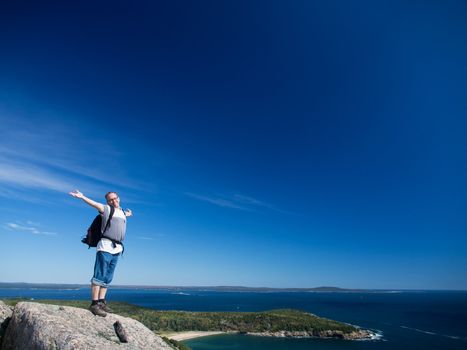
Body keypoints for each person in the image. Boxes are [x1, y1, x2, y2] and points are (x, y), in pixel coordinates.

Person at [69, 190, 132, 317]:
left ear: (119, 198)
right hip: (105, 246)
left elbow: (125, 214)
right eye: (110, 200)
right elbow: (94, 204)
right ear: (107, 202)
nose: (114, 201)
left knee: (108, 277)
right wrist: (82, 197)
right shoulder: (106, 209)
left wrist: (129, 213)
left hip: (117, 249)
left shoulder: (122, 212)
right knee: (99, 275)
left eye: (115, 198)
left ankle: (102, 302)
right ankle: (94, 304)